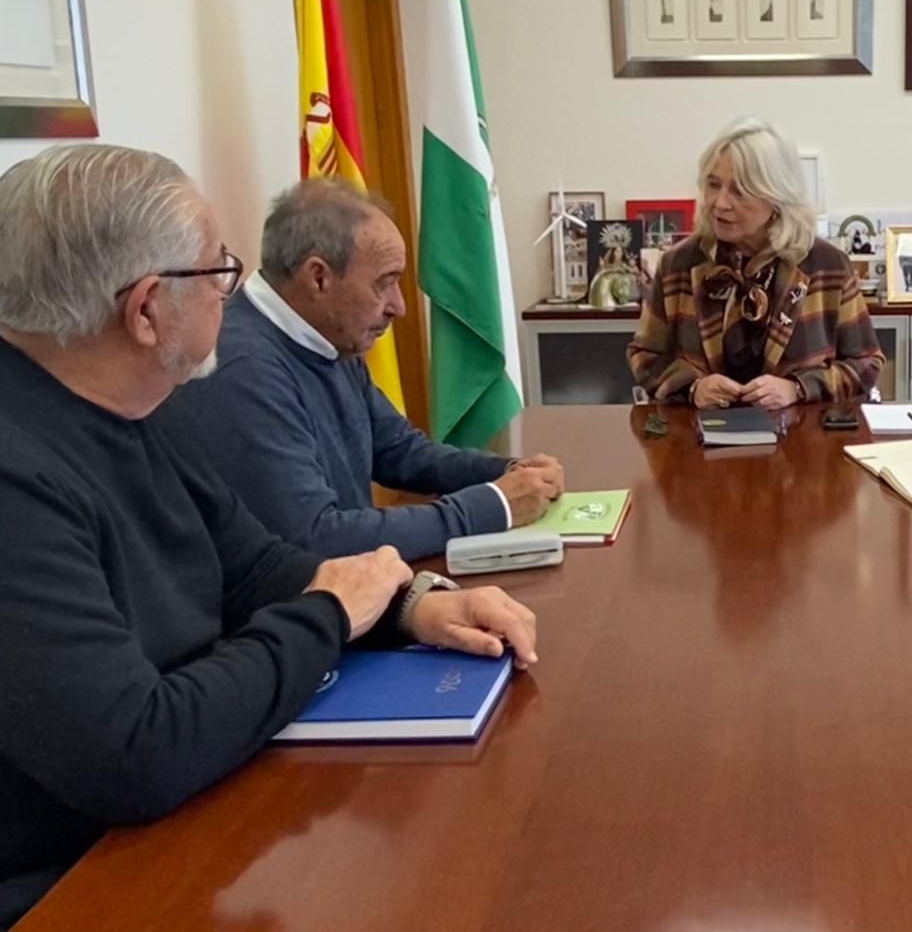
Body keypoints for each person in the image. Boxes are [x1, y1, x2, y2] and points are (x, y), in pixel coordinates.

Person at [0, 146, 539, 929]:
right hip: (78, 881)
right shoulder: (19, 477)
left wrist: (410, 603)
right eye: (217, 272)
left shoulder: (132, 402)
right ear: (148, 309)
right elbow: (137, 752)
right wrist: (328, 616)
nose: (233, 287)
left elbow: (255, 566)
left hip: (190, 810)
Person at [163, 179, 563, 562]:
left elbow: (399, 451)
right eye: (384, 283)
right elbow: (317, 537)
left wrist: (507, 471)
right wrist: (493, 506)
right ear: (318, 277)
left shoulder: (326, 335)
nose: (399, 306)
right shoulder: (242, 368)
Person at [628, 117, 884, 410]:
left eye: (739, 191)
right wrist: (693, 387)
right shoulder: (679, 264)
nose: (720, 203)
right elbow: (645, 355)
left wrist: (798, 389)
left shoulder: (826, 265)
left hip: (801, 443)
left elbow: (866, 363)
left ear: (777, 198)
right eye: (713, 185)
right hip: (697, 440)